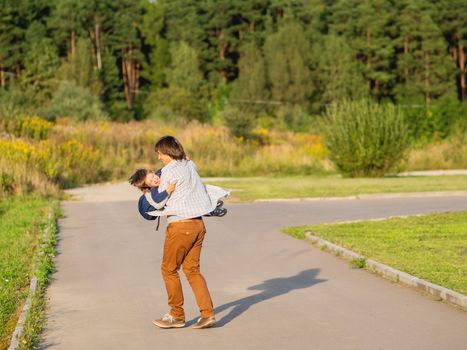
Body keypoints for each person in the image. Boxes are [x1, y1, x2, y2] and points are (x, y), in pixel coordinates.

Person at [149, 136, 228, 329]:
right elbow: (189, 165)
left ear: (167, 152)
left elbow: (160, 201)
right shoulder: (190, 166)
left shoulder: (169, 172)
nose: (159, 158)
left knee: (168, 269)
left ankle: (176, 315)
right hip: (198, 226)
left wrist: (146, 191)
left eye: (159, 153)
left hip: (180, 226)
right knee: (192, 270)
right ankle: (207, 314)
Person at [128, 168, 227, 225]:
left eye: (153, 176)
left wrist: (183, 159)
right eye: (151, 181)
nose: (155, 180)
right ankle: (210, 210)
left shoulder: (159, 174)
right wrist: (168, 190)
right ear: (148, 186)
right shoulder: (151, 192)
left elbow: (168, 166)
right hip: (156, 207)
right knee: (183, 205)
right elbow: (158, 203)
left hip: (162, 196)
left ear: (153, 172)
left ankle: (209, 201)